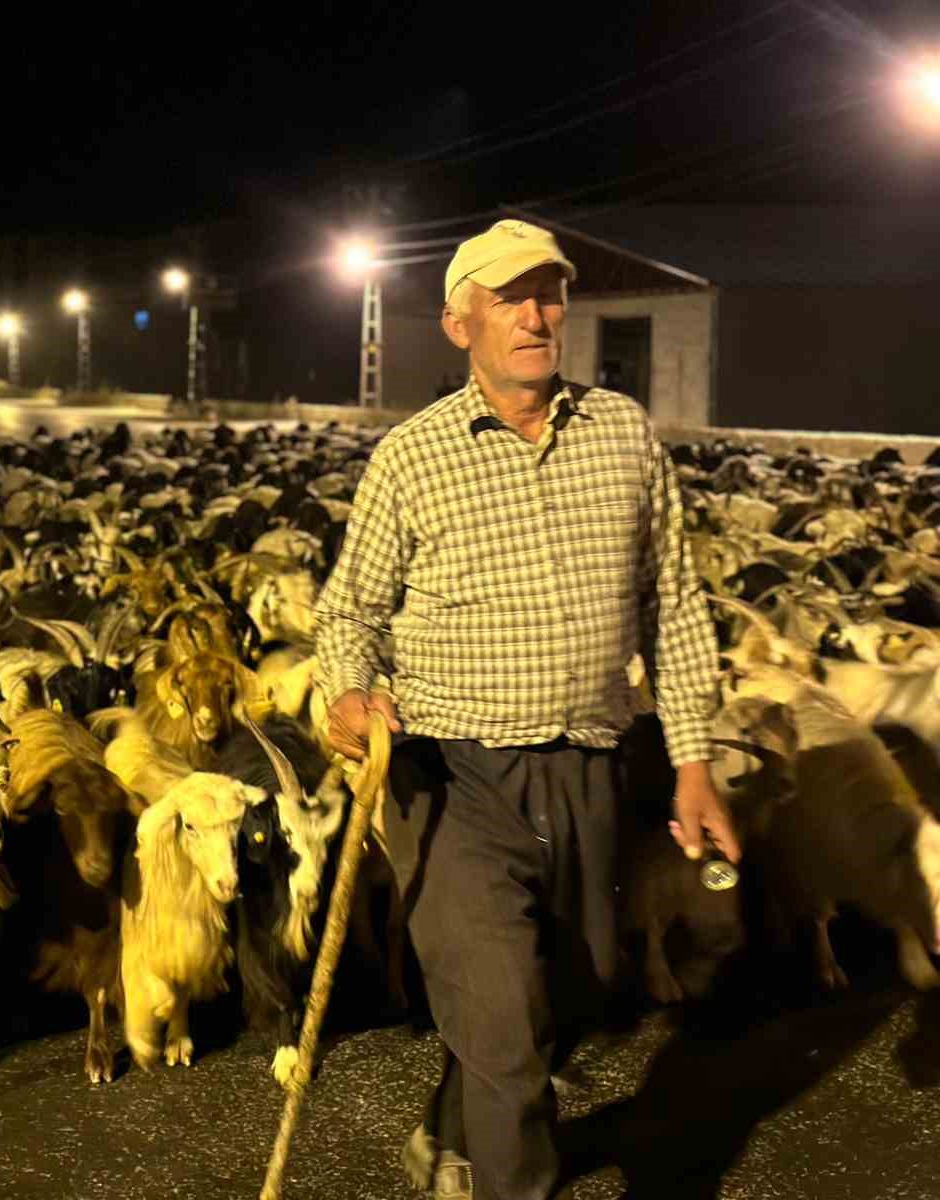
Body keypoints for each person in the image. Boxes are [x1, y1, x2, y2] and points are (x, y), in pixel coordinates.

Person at [313, 219, 739, 1200]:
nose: (537, 315)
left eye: (548, 294)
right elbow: (349, 610)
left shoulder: (622, 432)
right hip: (448, 775)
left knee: (564, 992)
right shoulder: (412, 459)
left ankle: (451, 1122)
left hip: (587, 762)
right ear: (460, 323)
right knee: (505, 1016)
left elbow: (669, 602)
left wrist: (690, 761)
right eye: (510, 298)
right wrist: (344, 693)